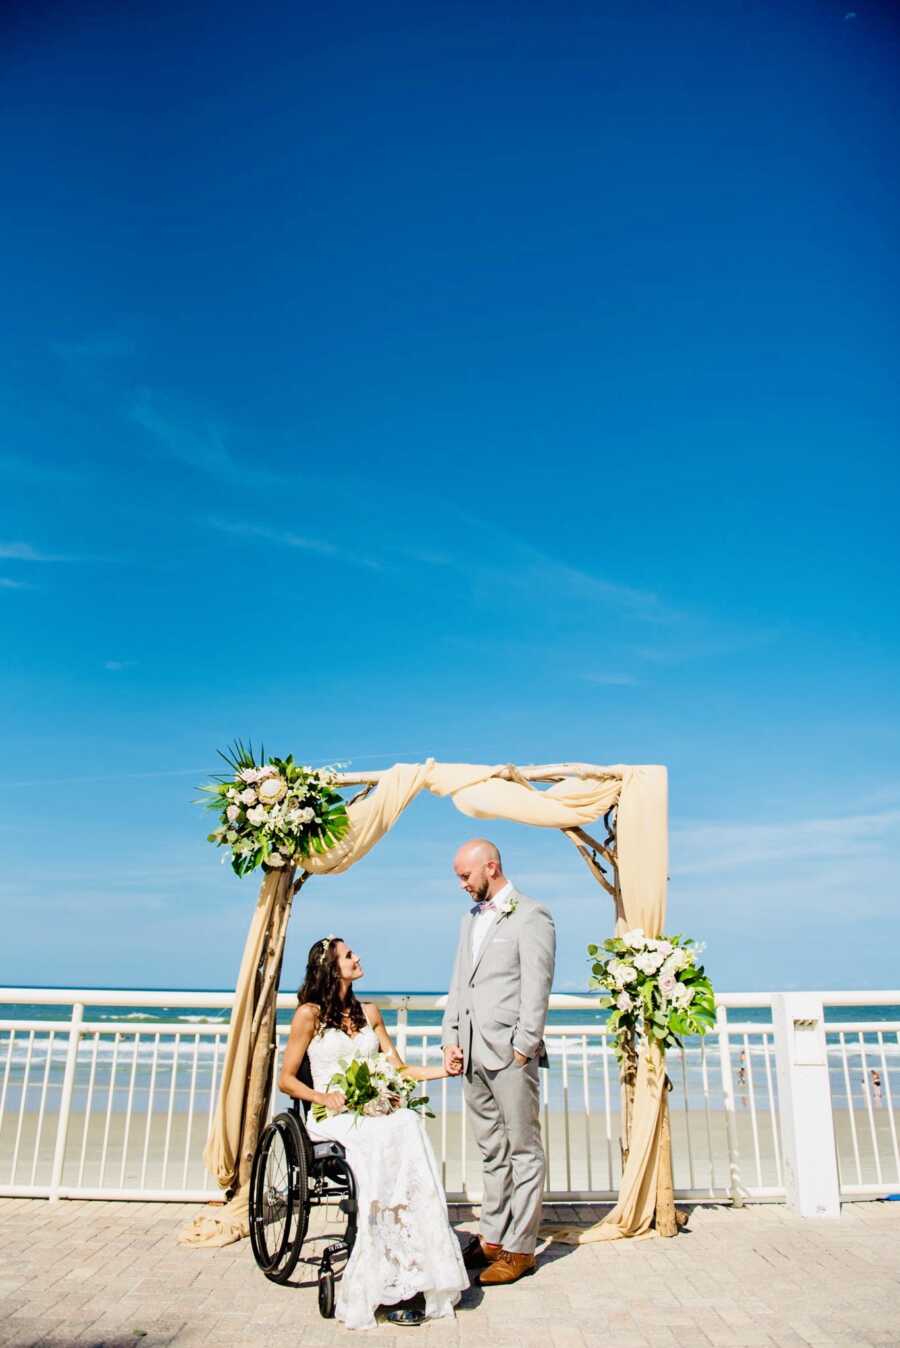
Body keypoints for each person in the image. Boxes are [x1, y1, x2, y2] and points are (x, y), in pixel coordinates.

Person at [279, 936, 468, 1330]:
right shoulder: (308, 1016)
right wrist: (323, 1096)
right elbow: (286, 1080)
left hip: (371, 1108)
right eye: (349, 955)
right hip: (331, 1115)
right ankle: (382, 1268)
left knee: (407, 1121)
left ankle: (412, 1262)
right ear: (331, 968)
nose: (357, 957)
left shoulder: (369, 1012)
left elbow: (399, 1070)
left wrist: (444, 1071)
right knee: (382, 1134)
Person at [441, 839, 556, 1286]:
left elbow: (537, 985)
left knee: (523, 1150)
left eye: (465, 876)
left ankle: (521, 1248)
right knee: (491, 1150)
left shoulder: (532, 915)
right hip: (471, 1052)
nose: (461, 884)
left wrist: (524, 1046)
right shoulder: (469, 919)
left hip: (510, 1052)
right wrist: (451, 1038)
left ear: (491, 867)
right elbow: (459, 984)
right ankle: (491, 1237)